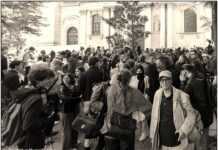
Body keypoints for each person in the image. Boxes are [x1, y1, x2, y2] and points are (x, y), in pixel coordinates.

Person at [101, 68, 148, 150]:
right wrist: (136, 112)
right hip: (127, 126)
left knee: (112, 147)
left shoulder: (110, 90)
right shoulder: (134, 92)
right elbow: (146, 107)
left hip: (112, 125)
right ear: (129, 80)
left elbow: (108, 108)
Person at [150, 70, 196, 150]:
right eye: (162, 80)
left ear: (171, 80)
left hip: (177, 139)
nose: (164, 82)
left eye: (167, 79)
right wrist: (152, 134)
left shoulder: (181, 95)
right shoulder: (157, 94)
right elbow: (154, 116)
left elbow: (191, 114)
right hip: (162, 139)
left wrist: (184, 130)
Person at [16, 65, 56, 149]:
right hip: (33, 139)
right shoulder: (36, 98)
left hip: (25, 137)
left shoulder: (28, 91)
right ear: (39, 81)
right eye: (48, 79)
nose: (51, 81)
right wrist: (47, 118)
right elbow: (29, 124)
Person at [180, 64, 213, 150]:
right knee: (205, 136)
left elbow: (183, 97)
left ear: (186, 72)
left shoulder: (191, 83)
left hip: (199, 114)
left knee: (199, 139)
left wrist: (182, 82)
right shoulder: (202, 79)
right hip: (207, 112)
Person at [79, 56, 103, 150]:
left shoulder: (84, 74)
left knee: (88, 121)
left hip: (87, 100)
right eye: (98, 62)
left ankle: (86, 143)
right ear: (96, 63)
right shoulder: (100, 73)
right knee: (99, 120)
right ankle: (99, 141)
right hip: (98, 101)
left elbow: (80, 88)